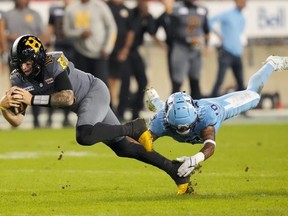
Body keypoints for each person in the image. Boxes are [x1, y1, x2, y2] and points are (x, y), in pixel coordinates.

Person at [0, 34, 192, 195]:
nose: (23, 68)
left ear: (39, 58)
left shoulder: (53, 62)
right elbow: (18, 120)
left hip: (93, 91)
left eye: (27, 63)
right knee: (124, 148)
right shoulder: (19, 78)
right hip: (83, 105)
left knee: (84, 135)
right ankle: (175, 170)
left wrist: (31, 99)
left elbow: (68, 98)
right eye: (19, 64)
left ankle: (132, 127)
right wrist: (4, 108)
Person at [146, 55, 288, 178]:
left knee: (254, 96)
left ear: (195, 115)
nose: (185, 131)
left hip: (218, 106)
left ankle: (272, 63)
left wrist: (195, 159)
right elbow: (142, 143)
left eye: (188, 126)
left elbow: (210, 145)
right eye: (179, 128)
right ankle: (157, 102)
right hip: (164, 114)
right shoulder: (161, 121)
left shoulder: (208, 116)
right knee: (159, 114)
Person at [4, 0, 48, 128]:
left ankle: (37, 119)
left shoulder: (35, 14)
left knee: (37, 87)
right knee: (17, 87)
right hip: (15, 57)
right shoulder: (8, 14)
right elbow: (3, 34)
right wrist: (14, 38)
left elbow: (41, 35)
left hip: (32, 59)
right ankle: (15, 116)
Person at [160, 0, 210, 99]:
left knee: (195, 81)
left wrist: (206, 45)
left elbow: (206, 30)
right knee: (177, 82)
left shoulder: (202, 10)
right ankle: (173, 110)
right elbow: (172, 31)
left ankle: (197, 111)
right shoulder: (175, 9)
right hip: (180, 48)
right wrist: (187, 39)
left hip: (195, 50)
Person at [63, 0, 117, 86]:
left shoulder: (100, 6)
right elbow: (66, 31)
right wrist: (79, 33)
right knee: (83, 85)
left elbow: (112, 28)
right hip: (80, 52)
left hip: (100, 53)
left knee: (101, 85)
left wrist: (107, 48)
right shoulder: (71, 8)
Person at [45, 0, 74, 127]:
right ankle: (50, 116)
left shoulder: (77, 10)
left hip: (74, 49)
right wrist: (47, 44)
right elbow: (50, 28)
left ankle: (67, 116)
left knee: (69, 83)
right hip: (58, 48)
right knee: (52, 82)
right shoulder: (55, 9)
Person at [209, 0, 246, 97]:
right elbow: (209, 21)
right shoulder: (228, 14)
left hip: (237, 53)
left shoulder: (242, 17)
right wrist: (218, 35)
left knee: (241, 82)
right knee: (220, 80)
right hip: (226, 51)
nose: (243, 3)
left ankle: (243, 106)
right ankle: (210, 103)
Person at [106, 0, 134, 119]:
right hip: (106, 51)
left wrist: (125, 49)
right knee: (106, 80)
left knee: (121, 81)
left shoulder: (126, 10)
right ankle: (109, 108)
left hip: (120, 51)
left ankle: (120, 109)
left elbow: (130, 31)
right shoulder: (105, 7)